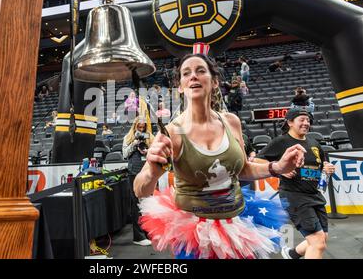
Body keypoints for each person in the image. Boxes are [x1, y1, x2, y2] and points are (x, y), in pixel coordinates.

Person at [133, 53, 306, 259]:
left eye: (200, 71)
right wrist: (152, 171)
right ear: (180, 86)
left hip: (238, 219)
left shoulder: (231, 121)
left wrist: (276, 168)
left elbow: (243, 170)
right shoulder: (171, 132)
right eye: (186, 73)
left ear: (214, 82)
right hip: (195, 231)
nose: (193, 77)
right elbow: (140, 190)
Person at [255, 108, 335, 259]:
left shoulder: (314, 143)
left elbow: (323, 164)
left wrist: (327, 167)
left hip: (314, 195)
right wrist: (279, 169)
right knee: (317, 243)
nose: (306, 123)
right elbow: (258, 160)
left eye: (308, 120)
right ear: (290, 122)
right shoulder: (281, 141)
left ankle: (291, 254)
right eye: (302, 120)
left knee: (322, 238)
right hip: (294, 196)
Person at [123, 116, 154, 246]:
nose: (141, 129)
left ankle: (148, 232)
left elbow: (155, 154)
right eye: (139, 127)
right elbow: (125, 154)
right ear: (135, 126)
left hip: (148, 172)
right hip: (134, 172)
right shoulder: (128, 137)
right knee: (136, 203)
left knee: (148, 203)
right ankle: (138, 236)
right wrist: (134, 144)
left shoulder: (150, 137)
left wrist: (147, 152)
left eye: (143, 127)